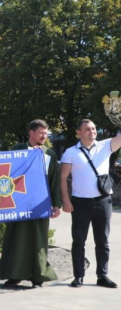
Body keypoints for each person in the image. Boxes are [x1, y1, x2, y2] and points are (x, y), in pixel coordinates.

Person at [0, 119, 62, 287]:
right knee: (17, 237)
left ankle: (38, 276)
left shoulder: (50, 154)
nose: (44, 136)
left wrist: (56, 204)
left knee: (39, 240)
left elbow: (54, 181)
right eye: (41, 133)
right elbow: (7, 167)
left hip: (40, 203)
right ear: (31, 133)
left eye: (46, 133)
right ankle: (14, 274)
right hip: (18, 201)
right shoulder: (18, 150)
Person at [60, 119, 121, 289]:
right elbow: (63, 178)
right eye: (87, 129)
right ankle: (78, 276)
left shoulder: (105, 145)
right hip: (80, 202)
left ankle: (102, 275)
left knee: (103, 241)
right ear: (78, 132)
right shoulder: (70, 152)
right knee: (79, 240)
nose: (92, 132)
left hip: (103, 201)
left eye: (94, 128)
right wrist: (66, 200)